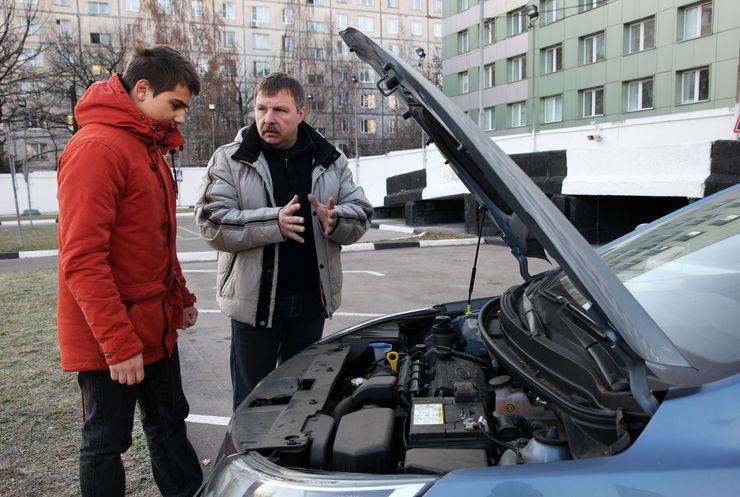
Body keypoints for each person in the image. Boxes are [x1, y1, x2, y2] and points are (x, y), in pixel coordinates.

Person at [56, 46, 203, 497]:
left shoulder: (147, 144)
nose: (180, 118)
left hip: (153, 325)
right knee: (106, 442)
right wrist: (118, 347)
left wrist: (180, 298)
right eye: (175, 104)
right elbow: (82, 260)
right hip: (109, 336)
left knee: (169, 422)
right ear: (142, 90)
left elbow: (156, 237)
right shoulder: (97, 148)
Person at [195, 72, 373, 411]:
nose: (268, 119)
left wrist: (335, 220)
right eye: (261, 109)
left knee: (302, 399)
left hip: (309, 305)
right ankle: (248, 461)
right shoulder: (231, 159)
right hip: (255, 305)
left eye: (280, 110)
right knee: (251, 402)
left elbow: (362, 213)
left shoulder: (330, 159)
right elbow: (212, 222)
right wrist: (273, 222)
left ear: (301, 113)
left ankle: (292, 461)